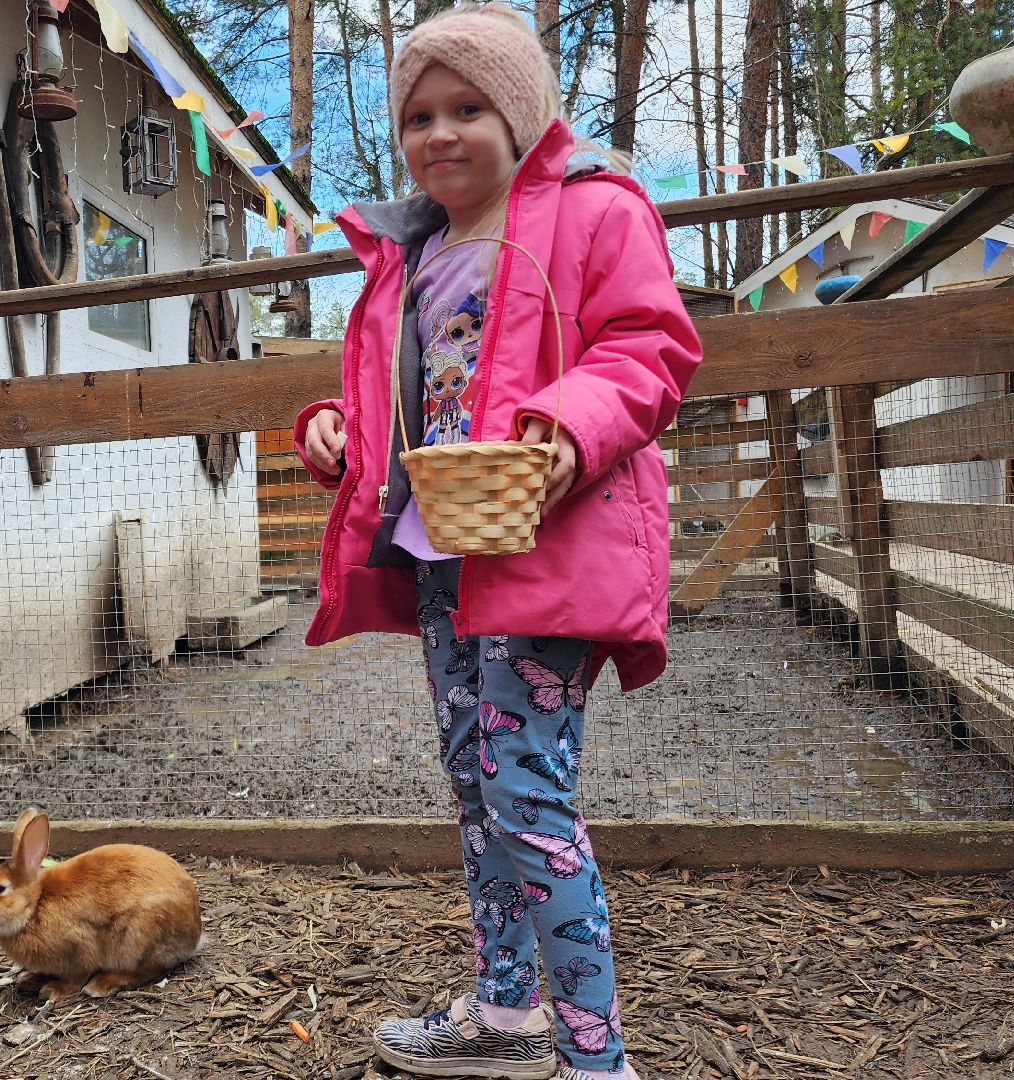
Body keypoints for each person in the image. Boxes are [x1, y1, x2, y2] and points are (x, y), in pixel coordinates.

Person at [293, 6, 702, 1078]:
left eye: (467, 107)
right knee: (476, 785)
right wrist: (332, 434)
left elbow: (648, 344)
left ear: (520, 115)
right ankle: (506, 1011)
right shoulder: (409, 251)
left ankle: (597, 1054)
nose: (439, 134)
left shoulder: (589, 212)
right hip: (443, 550)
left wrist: (572, 425)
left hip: (544, 548)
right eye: (418, 116)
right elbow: (387, 393)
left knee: (525, 786)